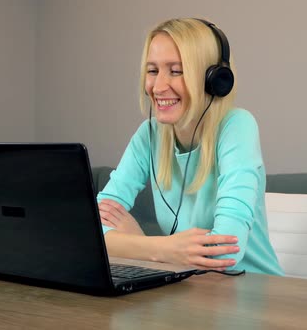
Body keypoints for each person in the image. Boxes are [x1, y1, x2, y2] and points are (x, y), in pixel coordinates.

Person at [97, 18, 283, 276]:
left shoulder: (237, 126)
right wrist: (163, 248)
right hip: (190, 291)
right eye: (152, 71)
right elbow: (91, 232)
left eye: (176, 71)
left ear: (213, 79)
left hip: (254, 293)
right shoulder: (148, 135)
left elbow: (226, 252)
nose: (158, 87)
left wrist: (137, 244)